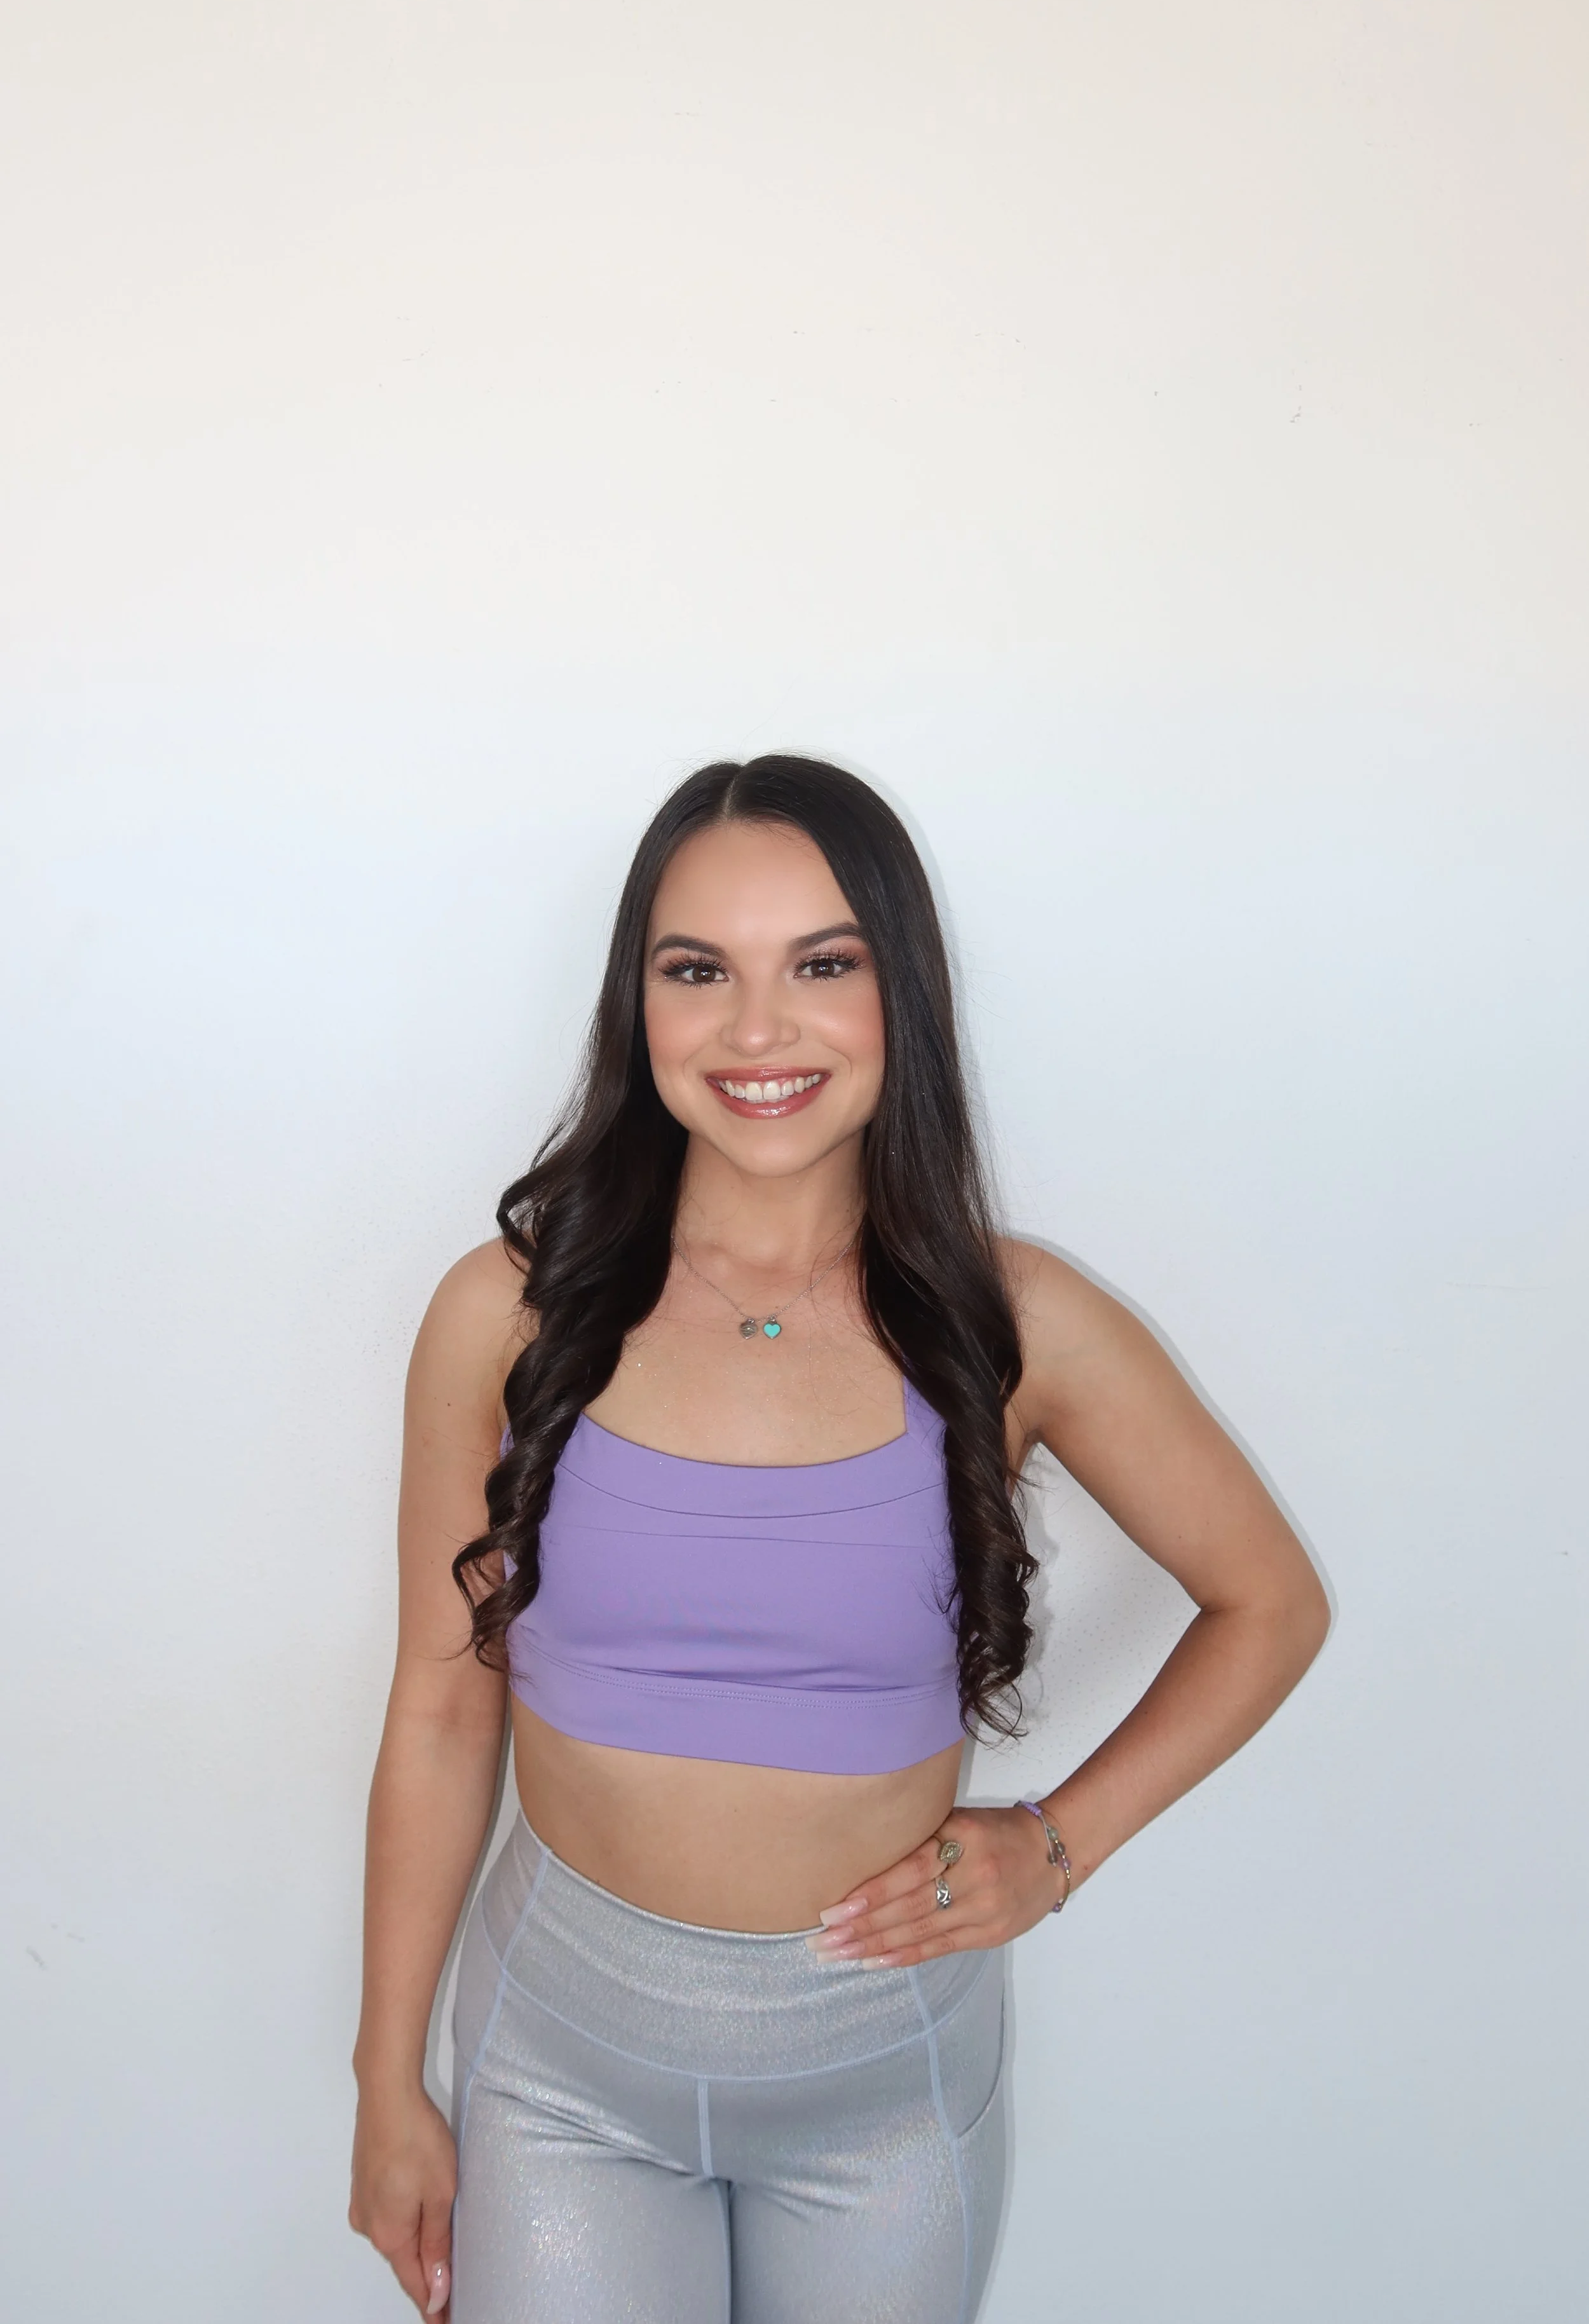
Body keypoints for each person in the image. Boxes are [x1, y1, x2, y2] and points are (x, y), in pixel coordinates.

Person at [348, 755, 1329, 2323]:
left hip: (880, 2094)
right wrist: (383, 2079)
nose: (755, 1031)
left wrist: (1054, 1846)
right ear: (638, 1005)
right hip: (557, 2074)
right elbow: (441, 1698)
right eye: (697, 972)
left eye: (821, 965)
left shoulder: (1022, 1325)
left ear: (902, 995)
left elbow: (1267, 1603)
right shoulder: (504, 1313)